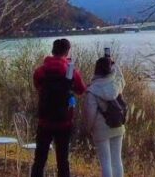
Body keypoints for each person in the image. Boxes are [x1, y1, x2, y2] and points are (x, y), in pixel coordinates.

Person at [31, 38, 87, 177]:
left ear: (52, 50)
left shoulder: (41, 71)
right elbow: (81, 90)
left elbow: (38, 87)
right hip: (64, 121)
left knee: (39, 159)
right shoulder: (71, 70)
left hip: (44, 121)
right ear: (67, 51)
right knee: (62, 160)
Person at [84, 54, 127, 177]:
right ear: (110, 69)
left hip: (101, 129)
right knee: (117, 161)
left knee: (106, 163)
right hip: (117, 125)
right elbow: (121, 78)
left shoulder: (92, 90)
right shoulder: (116, 84)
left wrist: (89, 128)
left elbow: (90, 113)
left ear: (96, 70)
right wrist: (115, 65)